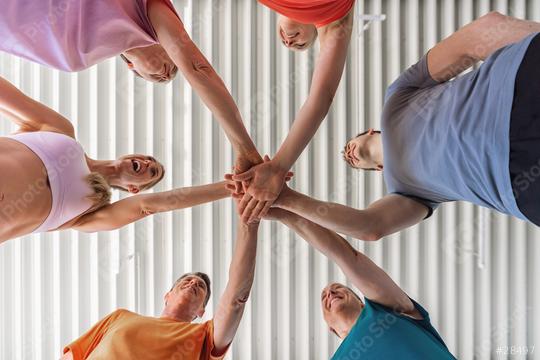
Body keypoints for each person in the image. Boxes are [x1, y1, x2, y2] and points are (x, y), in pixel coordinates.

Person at [267, 12, 540, 240]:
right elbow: (370, 227)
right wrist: (288, 200)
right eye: (351, 161)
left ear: (372, 131)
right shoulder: (405, 189)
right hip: (518, 183)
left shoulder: (398, 96)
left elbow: (476, 36)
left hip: (519, 87)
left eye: (349, 146)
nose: (348, 154)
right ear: (377, 169)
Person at [0, 0, 264, 183]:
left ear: (131, 68)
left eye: (158, 79)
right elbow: (197, 69)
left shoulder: (82, 56)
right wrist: (245, 148)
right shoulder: (150, 13)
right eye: (173, 69)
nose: (165, 73)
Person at [0, 75, 231, 243]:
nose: (149, 163)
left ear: (134, 189)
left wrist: (229, 187)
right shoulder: (60, 130)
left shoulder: (91, 214)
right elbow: (8, 96)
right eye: (149, 159)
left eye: (153, 173)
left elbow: (149, 206)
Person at [60, 206, 260, 360]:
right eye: (186, 280)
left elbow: (235, 299)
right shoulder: (119, 317)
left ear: (201, 311)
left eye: (201, 287)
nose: (192, 283)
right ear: (167, 296)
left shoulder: (205, 336)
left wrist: (248, 223)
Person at [265, 208, 456, 359]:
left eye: (338, 288)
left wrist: (285, 212)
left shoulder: (387, 310)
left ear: (362, 302)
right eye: (324, 297)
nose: (330, 293)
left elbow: (347, 257)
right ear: (330, 328)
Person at [232, 0, 355, 222]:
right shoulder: (334, 21)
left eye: (286, 43)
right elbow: (321, 97)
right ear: (316, 31)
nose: (289, 41)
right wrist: (279, 167)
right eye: (300, 44)